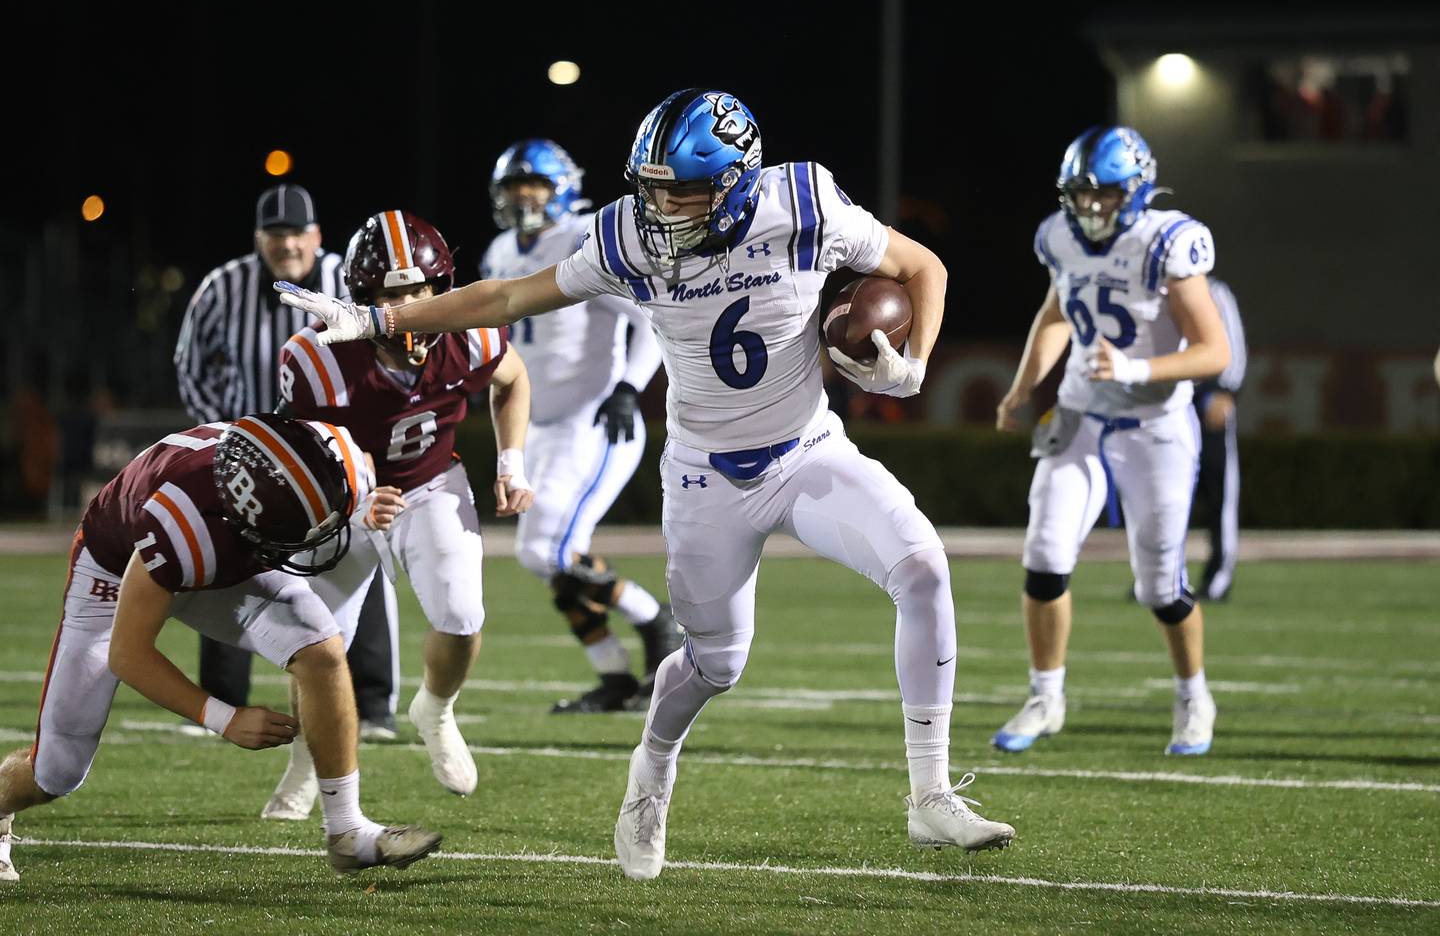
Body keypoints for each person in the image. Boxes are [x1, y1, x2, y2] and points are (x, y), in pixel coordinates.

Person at [277, 88, 1017, 880]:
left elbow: (921, 266)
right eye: (652, 186)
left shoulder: (803, 202)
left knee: (923, 569)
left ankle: (931, 792)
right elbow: (508, 295)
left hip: (807, 451)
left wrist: (913, 367)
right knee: (715, 665)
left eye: (683, 189)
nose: (662, 206)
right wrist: (386, 322)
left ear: (738, 180)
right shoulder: (632, 234)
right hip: (706, 478)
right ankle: (651, 771)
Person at [0, 415, 440, 880]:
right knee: (58, 770)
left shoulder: (330, 454)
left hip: (220, 541)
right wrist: (224, 718)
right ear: (252, 526)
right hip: (116, 570)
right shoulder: (183, 525)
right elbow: (128, 653)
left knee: (322, 648)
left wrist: (362, 507)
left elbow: (356, 469)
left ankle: (348, 832)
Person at [272, 210, 533, 802]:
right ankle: (304, 765)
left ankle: (435, 712)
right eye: (395, 293)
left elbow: (513, 379)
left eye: (420, 288)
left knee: (463, 617)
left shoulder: (471, 333)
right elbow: (299, 456)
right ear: (364, 297)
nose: (411, 303)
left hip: (430, 484)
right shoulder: (315, 359)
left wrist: (511, 462)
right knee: (315, 644)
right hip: (340, 502)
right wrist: (351, 501)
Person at [993, 126, 1231, 758]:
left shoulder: (1167, 242)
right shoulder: (1058, 237)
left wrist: (1133, 370)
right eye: (1081, 195)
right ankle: (1046, 695)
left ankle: (1192, 697)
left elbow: (1215, 350)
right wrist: (1024, 388)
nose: (1090, 208)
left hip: (1155, 426)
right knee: (1043, 555)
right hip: (1080, 416)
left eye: (1103, 196)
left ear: (1137, 189)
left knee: (1159, 584)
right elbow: (1055, 316)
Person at [173, 183, 400, 740]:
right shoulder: (221, 287)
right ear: (259, 239)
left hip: (333, 456)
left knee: (358, 560)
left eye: (297, 233)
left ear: (317, 235)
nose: (287, 244)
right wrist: (227, 438)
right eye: (276, 234)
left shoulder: (347, 282)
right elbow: (190, 363)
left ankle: (371, 704)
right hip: (244, 457)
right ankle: (224, 698)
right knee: (229, 560)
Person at [481, 138, 680, 713]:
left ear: (561, 187)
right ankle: (614, 675)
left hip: (591, 421)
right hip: (532, 426)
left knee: (547, 550)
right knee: (545, 556)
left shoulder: (583, 237)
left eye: (535, 185)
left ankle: (654, 621)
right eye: (515, 186)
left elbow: (649, 317)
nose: (524, 196)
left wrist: (627, 388)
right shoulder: (498, 251)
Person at [1192, 278, 1246, 601]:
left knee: (1219, 490)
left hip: (1206, 401)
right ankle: (1161, 576)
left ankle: (1218, 577)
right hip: (1167, 402)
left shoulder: (1214, 291)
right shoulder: (1150, 287)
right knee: (1163, 493)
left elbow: (1234, 343)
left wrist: (1225, 390)